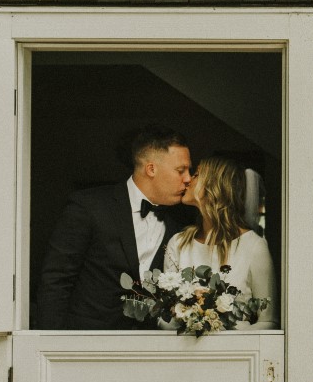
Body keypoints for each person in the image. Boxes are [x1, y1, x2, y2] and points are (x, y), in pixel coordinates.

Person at [37, 125, 197, 330]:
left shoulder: (178, 226)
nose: (187, 178)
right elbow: (56, 280)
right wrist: (51, 345)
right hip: (87, 342)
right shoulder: (89, 206)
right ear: (151, 169)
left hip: (150, 347)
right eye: (181, 170)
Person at [164, 156, 278, 329]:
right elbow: (164, 317)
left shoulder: (254, 246)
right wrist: (187, 320)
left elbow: (268, 321)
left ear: (214, 186)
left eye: (196, 175)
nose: (187, 180)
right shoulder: (178, 243)